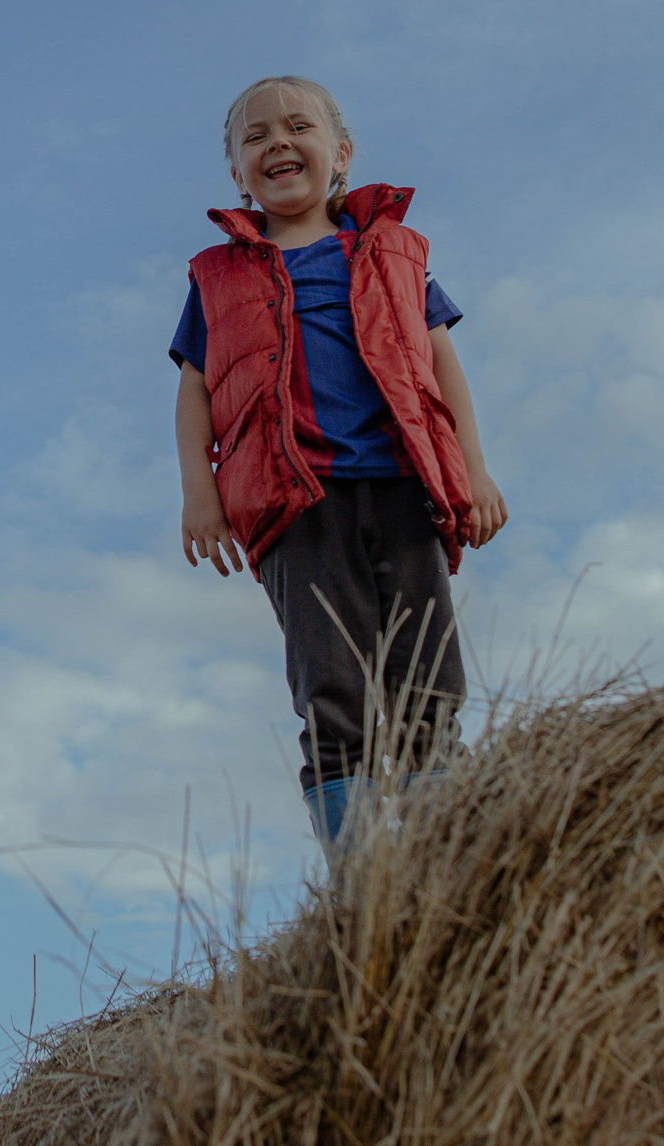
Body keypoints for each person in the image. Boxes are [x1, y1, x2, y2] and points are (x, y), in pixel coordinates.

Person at [170, 75, 507, 849]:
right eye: (255, 137)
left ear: (342, 154)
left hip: (402, 485)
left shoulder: (392, 253)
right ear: (237, 175)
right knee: (333, 689)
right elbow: (195, 389)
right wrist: (200, 493)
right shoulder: (219, 276)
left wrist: (474, 466)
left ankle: (439, 854)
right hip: (296, 503)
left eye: (298, 127)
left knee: (428, 678)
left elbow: (442, 362)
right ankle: (358, 873)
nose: (278, 143)